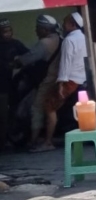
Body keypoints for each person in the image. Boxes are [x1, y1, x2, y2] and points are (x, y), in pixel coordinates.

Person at [34, 13, 87, 153]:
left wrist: (61, 83)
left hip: (70, 79)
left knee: (49, 106)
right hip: (81, 78)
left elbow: (65, 63)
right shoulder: (83, 38)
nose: (63, 25)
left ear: (72, 24)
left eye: (65, 22)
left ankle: (48, 141)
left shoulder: (69, 40)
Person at [13, 15, 62, 150]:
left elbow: (27, 58)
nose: (36, 31)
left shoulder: (44, 43)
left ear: (45, 30)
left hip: (48, 80)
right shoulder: (60, 39)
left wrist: (14, 62)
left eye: (38, 28)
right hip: (58, 78)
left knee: (36, 108)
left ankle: (34, 140)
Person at [0, 19, 28, 152]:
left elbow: (28, 55)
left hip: (7, 85)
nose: (8, 33)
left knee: (9, 114)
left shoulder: (15, 44)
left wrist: (19, 64)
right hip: (2, 86)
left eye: (9, 30)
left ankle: (6, 140)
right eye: (4, 31)